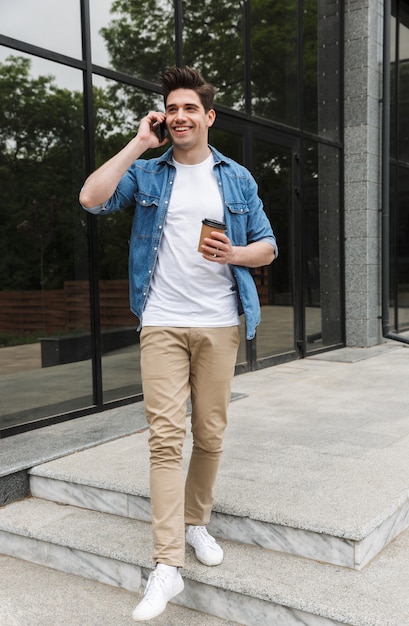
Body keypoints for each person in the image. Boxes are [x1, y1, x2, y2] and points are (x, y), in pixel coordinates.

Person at [80, 66, 277, 622]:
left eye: (191, 108)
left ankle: (197, 523)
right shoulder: (147, 173)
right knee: (166, 439)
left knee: (210, 434)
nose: (181, 116)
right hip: (162, 322)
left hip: (220, 324)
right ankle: (166, 563)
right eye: (173, 108)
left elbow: (268, 247)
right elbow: (92, 199)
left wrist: (234, 254)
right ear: (164, 116)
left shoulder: (237, 178)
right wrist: (141, 141)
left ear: (209, 117)